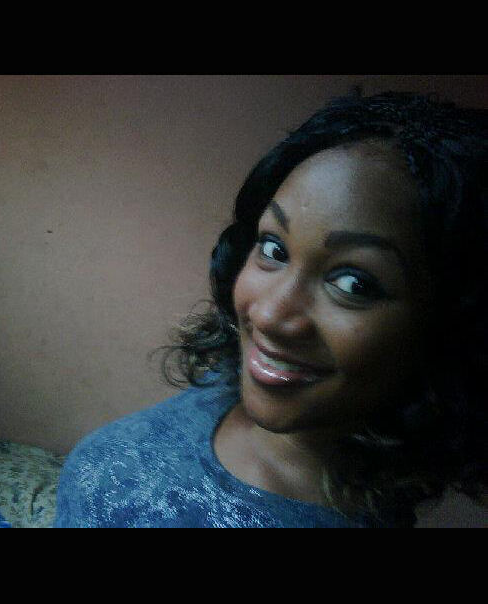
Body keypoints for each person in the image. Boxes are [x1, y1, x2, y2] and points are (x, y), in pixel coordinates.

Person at [54, 91, 487, 528]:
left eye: (353, 283)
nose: (268, 317)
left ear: (454, 326)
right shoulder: (233, 383)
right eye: (274, 249)